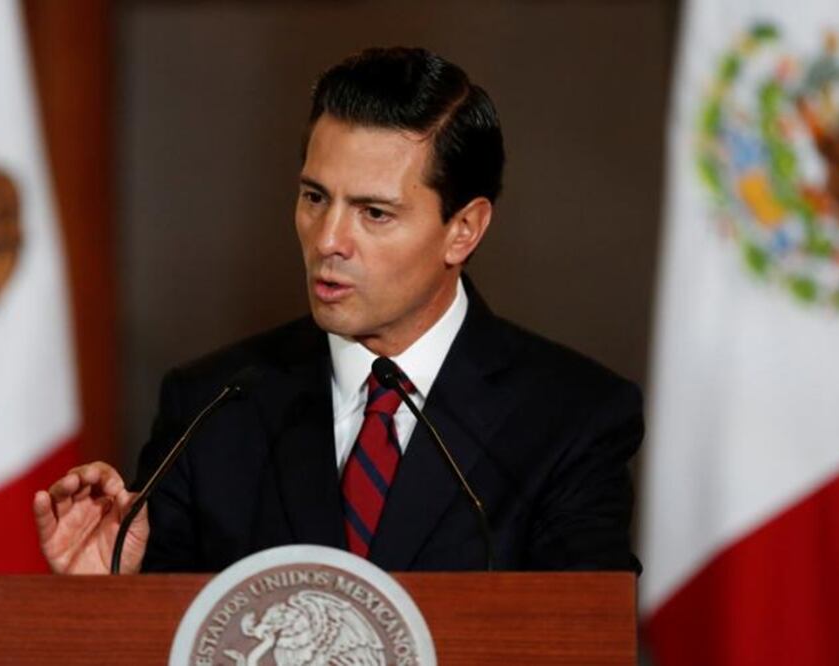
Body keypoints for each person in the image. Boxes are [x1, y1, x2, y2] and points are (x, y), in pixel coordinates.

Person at [33, 46, 643, 575]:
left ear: (464, 230)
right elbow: (170, 639)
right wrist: (112, 596)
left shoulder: (572, 420)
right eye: (314, 198)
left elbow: (586, 636)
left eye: (374, 213)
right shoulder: (213, 408)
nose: (328, 240)